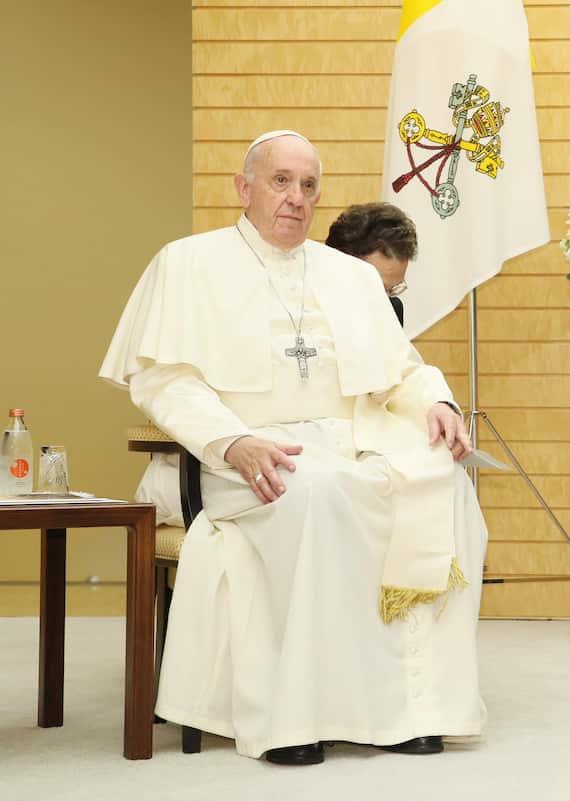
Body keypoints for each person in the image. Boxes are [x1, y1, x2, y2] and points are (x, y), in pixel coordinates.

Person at [100, 130, 488, 765]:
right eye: (281, 181)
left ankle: (415, 708)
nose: (295, 197)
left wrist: (438, 403)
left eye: (309, 186)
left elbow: (401, 371)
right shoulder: (188, 262)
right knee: (315, 492)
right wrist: (234, 441)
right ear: (244, 186)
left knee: (445, 489)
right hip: (239, 453)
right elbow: (165, 381)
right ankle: (297, 716)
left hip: (347, 441)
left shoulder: (349, 276)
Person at [325, 202, 416, 324]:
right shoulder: (306, 316)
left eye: (393, 289)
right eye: (378, 288)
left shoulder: (393, 311)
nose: (386, 302)